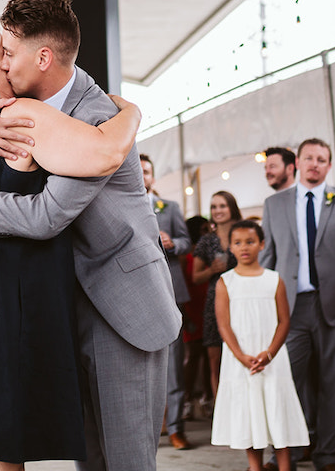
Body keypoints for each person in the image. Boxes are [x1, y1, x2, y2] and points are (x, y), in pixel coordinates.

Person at [0, 0, 182, 471]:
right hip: (62, 305)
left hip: (121, 305)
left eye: (8, 52)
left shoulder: (96, 119)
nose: (2, 65)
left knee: (127, 461)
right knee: (87, 459)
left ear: (43, 57)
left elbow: (47, 215)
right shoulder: (20, 105)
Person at [260, 138, 335, 471]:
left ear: (329, 165)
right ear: (298, 163)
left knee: (333, 385)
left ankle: (328, 456)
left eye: (322, 159)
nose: (315, 164)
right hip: (290, 309)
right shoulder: (274, 203)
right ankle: (286, 455)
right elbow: (268, 259)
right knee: (286, 383)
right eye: (309, 158)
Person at [212, 220, 309, 471]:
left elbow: (284, 321)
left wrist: (269, 353)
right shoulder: (225, 282)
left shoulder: (274, 280)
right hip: (241, 359)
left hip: (271, 359)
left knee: (278, 411)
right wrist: (241, 356)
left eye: (251, 242)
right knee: (249, 413)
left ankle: (285, 467)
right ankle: (255, 468)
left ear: (262, 245)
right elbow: (223, 325)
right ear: (230, 247)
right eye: (238, 242)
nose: (244, 247)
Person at [140, 153, 193, 450]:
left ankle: (176, 428)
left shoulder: (169, 208)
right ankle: (149, 430)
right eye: (139, 170)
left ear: (153, 178)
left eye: (147, 171)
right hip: (137, 294)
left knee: (174, 366)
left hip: (170, 292)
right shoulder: (122, 203)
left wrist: (173, 242)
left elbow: (187, 242)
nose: (143, 175)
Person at [191, 190, 241, 402]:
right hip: (215, 301)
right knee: (215, 359)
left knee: (241, 354)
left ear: (232, 208)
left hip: (240, 298)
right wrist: (211, 270)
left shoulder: (243, 234)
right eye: (214, 207)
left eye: (222, 206)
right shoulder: (206, 241)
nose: (217, 211)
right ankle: (221, 413)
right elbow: (196, 277)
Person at [181, 215, 212, 421]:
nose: (206, 232)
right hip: (192, 307)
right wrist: (185, 316)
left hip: (207, 306)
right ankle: (187, 399)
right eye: (202, 229)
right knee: (192, 357)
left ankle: (207, 397)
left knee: (209, 358)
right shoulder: (186, 256)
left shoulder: (206, 253)